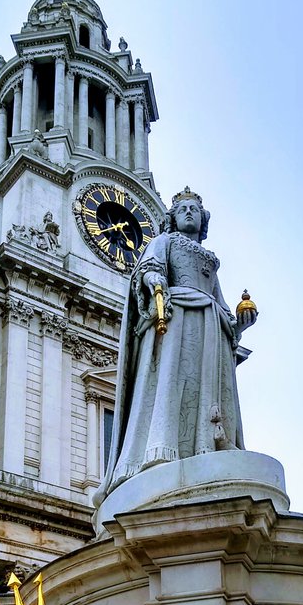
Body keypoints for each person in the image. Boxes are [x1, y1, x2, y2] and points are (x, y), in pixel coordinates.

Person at [94, 188, 257, 503]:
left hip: (210, 325)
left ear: (203, 219)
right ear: (172, 217)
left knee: (205, 388)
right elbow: (150, 267)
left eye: (194, 209)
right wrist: (154, 280)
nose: (189, 213)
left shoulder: (209, 259)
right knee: (172, 380)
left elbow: (222, 305)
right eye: (182, 209)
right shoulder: (163, 242)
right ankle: (164, 446)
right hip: (178, 316)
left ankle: (207, 446)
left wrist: (239, 324)